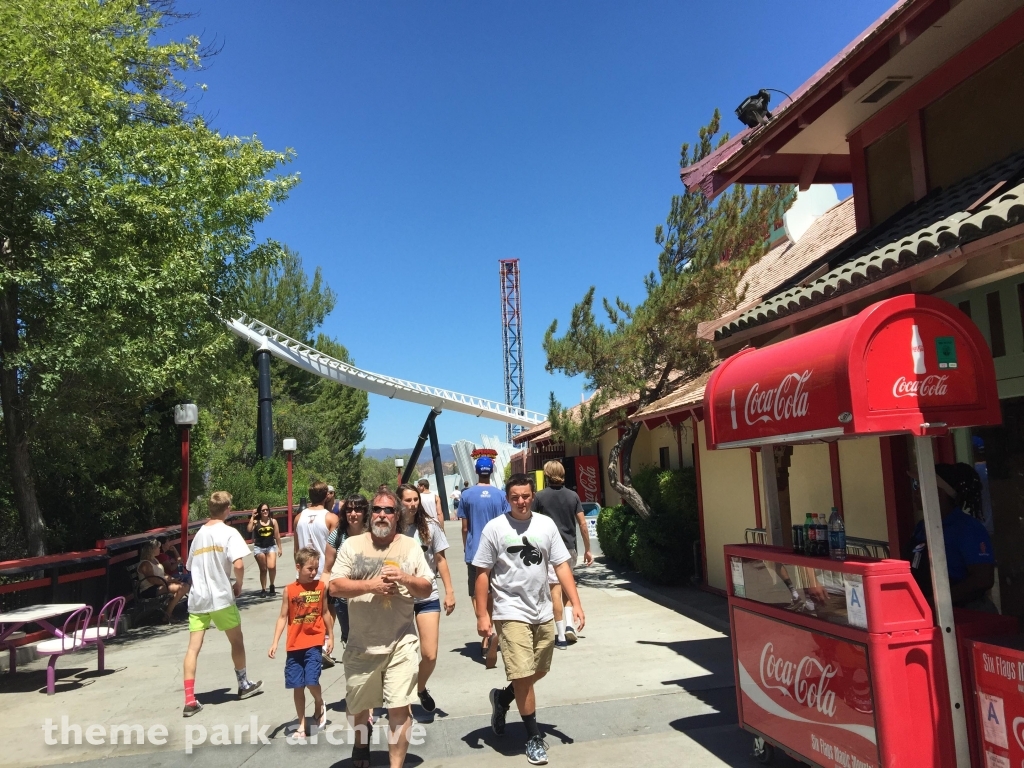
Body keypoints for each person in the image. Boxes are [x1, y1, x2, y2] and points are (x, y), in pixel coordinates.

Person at [474, 474, 586, 766]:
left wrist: (576, 603)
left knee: (539, 670)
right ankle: (533, 737)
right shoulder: (495, 529)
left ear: (532, 495)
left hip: (542, 609)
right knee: (523, 675)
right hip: (509, 610)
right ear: (507, 498)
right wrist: (482, 614)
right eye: (515, 497)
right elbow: (482, 573)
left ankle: (502, 699)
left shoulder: (545, 525)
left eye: (525, 496)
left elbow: (561, 565)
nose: (521, 502)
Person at [329, 488, 434, 768]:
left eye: (388, 510)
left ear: (397, 516)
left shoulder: (410, 547)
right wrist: (371, 585)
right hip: (361, 644)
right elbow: (335, 585)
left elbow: (426, 588)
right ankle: (361, 744)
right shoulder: (352, 545)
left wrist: (404, 577)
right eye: (377, 509)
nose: (382, 515)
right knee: (357, 708)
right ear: (369, 514)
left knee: (399, 708)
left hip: (401, 641)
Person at [182, 491, 263, 717]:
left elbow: (190, 566)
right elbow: (238, 564)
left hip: (198, 599)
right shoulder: (229, 533)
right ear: (227, 509)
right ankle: (243, 683)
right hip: (220, 596)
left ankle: (189, 699)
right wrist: (238, 584)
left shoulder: (198, 535)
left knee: (193, 648)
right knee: (236, 641)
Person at [398, 483, 456, 714]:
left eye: (415, 500)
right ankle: (401, 697)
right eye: (408, 500)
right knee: (402, 654)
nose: (412, 504)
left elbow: (440, 559)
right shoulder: (391, 527)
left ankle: (420, 689)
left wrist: (449, 591)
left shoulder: (430, 526)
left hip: (427, 594)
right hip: (399, 598)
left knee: (429, 654)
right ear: (399, 501)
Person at [909, 462, 996, 611]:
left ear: (940, 492)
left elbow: (983, 579)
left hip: (966, 614)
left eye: (918, 485)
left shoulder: (967, 528)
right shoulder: (922, 526)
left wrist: (935, 602)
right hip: (930, 611)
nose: (915, 491)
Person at [268, 546, 334, 740]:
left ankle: (319, 701)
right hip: (294, 645)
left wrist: (330, 636)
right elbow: (282, 617)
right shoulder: (289, 590)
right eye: (309, 569)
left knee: (311, 680)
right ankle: (302, 725)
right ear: (298, 567)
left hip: (314, 642)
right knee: (298, 685)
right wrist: (275, 642)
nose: (314, 573)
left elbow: (325, 613)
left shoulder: (320, 587)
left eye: (316, 569)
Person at [532, 460, 593, 647]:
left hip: (549, 549)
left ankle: (560, 636)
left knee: (555, 591)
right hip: (569, 549)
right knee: (568, 586)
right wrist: (588, 549)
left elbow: (531, 523)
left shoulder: (540, 497)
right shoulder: (573, 496)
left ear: (547, 475)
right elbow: (583, 524)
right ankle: (569, 627)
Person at [457, 456, 510, 666]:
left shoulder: (467, 495)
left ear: (477, 471)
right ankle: (497, 631)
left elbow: (464, 527)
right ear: (492, 471)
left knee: (476, 592)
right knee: (496, 592)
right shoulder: (500, 495)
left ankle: (485, 632)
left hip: (475, 552)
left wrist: (466, 546)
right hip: (497, 552)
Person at [295, 480, 340, 667]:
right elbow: (335, 547)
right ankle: (324, 643)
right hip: (324, 571)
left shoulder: (298, 518)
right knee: (328, 610)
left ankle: (311, 646)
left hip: (304, 571)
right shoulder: (331, 518)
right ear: (326, 496)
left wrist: (298, 569)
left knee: (309, 612)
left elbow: (297, 548)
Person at [324, 494, 370, 645]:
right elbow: (327, 570)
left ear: (365, 512)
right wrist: (322, 593)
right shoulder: (337, 536)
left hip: (370, 597)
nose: (353, 514)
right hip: (344, 601)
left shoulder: (374, 534)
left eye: (357, 509)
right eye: (349, 510)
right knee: (351, 640)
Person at [137, 540, 189, 621]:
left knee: (184, 586)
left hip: (160, 585)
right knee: (182, 587)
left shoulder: (155, 560)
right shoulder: (145, 564)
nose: (159, 549)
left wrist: (173, 579)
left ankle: (168, 612)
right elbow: (153, 580)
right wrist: (169, 582)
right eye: (157, 548)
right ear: (151, 550)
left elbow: (164, 574)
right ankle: (168, 614)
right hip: (150, 589)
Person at [247, 502, 283, 597]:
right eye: (263, 510)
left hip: (271, 546)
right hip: (259, 547)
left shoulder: (273, 521)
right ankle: (263, 589)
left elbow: (277, 535)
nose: (265, 511)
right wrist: (252, 517)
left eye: (267, 509)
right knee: (263, 569)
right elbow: (249, 529)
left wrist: (280, 548)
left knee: (271, 567)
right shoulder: (256, 522)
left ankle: (271, 585)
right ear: (260, 512)